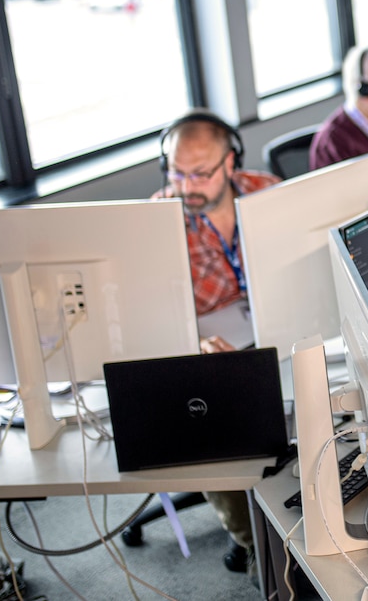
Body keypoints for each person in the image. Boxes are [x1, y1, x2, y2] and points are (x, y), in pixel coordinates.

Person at [152, 109, 280, 573]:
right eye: (177, 172)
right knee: (206, 420)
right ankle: (257, 541)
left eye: (201, 172)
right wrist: (193, 342)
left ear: (230, 163)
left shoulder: (266, 190)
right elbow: (151, 317)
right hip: (211, 345)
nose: (187, 185)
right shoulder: (159, 220)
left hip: (276, 323)